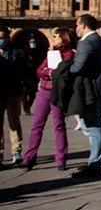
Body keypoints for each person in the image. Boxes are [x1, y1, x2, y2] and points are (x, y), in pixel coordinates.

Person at [21, 28, 77, 170]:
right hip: (44, 91)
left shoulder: (70, 54)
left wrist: (50, 71)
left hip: (58, 92)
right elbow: (40, 70)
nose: (53, 39)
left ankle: (60, 159)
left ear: (63, 38)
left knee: (58, 125)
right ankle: (29, 157)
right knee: (37, 125)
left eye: (56, 36)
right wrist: (49, 72)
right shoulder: (52, 53)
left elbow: (61, 73)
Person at [69, 14, 101, 178]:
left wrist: (63, 66)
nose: (76, 28)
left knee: (93, 127)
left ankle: (95, 164)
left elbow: (78, 68)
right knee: (95, 125)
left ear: (84, 25)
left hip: (90, 90)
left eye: (77, 25)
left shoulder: (86, 43)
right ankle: (97, 161)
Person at [0, 26, 28, 166]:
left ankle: (16, 151)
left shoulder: (18, 53)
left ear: (8, 38)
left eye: (2, 38)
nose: (0, 41)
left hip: (13, 92)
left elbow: (26, 70)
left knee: (14, 122)